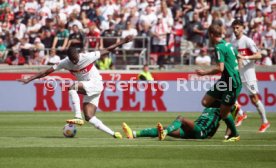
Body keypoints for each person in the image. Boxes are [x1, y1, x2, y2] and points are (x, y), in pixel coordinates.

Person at [18, 35, 134, 139]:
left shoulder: (87, 57)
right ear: (69, 58)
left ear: (78, 55)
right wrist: (29, 79)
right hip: (88, 87)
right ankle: (114, 134)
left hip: (96, 83)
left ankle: (77, 116)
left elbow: (108, 50)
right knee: (89, 117)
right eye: (72, 60)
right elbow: (46, 72)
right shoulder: (65, 62)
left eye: (76, 59)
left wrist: (123, 41)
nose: (74, 61)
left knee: (72, 87)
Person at [195, 24, 242, 142]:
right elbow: (239, 56)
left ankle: (235, 134)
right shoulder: (228, 44)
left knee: (223, 112)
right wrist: (237, 68)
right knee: (205, 102)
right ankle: (229, 107)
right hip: (225, 81)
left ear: (211, 35)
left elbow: (220, 68)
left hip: (232, 82)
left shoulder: (219, 47)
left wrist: (204, 73)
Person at [231, 19, 270, 132]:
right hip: (238, 74)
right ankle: (241, 114)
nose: (235, 30)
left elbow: (258, 55)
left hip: (249, 75)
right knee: (229, 94)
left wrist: (246, 58)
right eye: (234, 28)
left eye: (238, 27)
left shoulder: (247, 40)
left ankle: (265, 122)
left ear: (243, 28)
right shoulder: (233, 43)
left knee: (254, 99)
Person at [122, 107, 221, 140]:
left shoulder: (222, 111)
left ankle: (165, 132)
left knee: (180, 119)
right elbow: (213, 127)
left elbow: (226, 120)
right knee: (164, 129)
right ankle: (134, 134)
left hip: (200, 131)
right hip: (195, 131)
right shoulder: (209, 109)